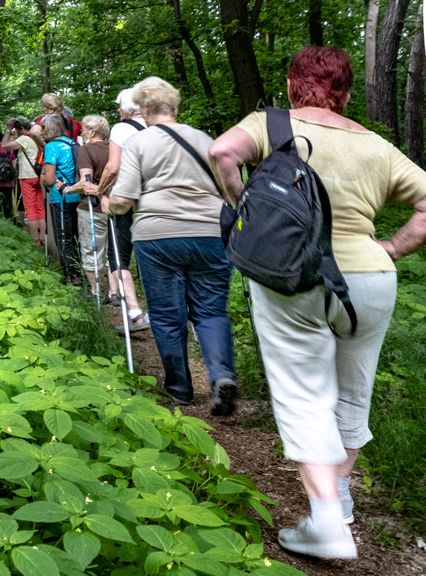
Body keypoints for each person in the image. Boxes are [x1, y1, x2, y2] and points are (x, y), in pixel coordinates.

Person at [208, 46, 426, 560]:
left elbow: (222, 152)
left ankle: (326, 522)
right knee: (353, 393)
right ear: (346, 93)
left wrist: (246, 210)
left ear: (290, 85)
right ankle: (340, 495)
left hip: (294, 275)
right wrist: (394, 246)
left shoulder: (270, 123)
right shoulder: (376, 145)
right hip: (371, 280)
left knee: (304, 394)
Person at [108, 76, 237, 416]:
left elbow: (123, 197)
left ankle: (179, 387)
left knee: (167, 314)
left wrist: (111, 206)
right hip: (210, 233)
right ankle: (222, 374)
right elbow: (229, 189)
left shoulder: (139, 142)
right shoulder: (205, 139)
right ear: (176, 108)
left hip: (158, 235)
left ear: (145, 109)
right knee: (210, 310)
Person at [95, 87, 148, 330]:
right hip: (155, 202)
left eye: (120, 106)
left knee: (118, 257)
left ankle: (136, 314)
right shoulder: (159, 127)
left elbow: (113, 167)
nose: (117, 110)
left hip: (127, 199)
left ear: (129, 108)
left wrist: (100, 190)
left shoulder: (122, 128)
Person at [60, 115, 111, 297]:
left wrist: (66, 189)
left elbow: (85, 183)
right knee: (111, 251)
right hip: (115, 206)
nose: (80, 133)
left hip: (93, 206)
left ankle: (95, 290)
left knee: (91, 248)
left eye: (83, 129)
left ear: (92, 131)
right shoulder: (116, 148)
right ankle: (114, 292)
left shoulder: (86, 150)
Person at [40, 113, 82, 285]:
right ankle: (80, 271)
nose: (41, 132)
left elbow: (49, 180)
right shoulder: (74, 143)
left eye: (43, 128)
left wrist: (42, 178)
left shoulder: (52, 146)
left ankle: (72, 277)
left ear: (49, 128)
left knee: (63, 238)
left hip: (60, 198)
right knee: (75, 236)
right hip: (77, 195)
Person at [3, 117, 46, 245]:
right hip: (38, 176)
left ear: (21, 128)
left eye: (17, 129)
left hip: (27, 177)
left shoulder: (24, 139)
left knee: (30, 208)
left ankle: (34, 239)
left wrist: (8, 129)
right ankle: (43, 237)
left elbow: (5, 145)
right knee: (39, 207)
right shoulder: (36, 138)